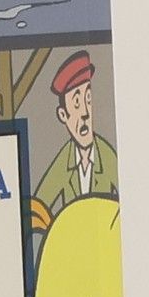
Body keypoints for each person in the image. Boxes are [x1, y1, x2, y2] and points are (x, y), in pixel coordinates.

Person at [31, 50, 119, 216]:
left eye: (88, 99)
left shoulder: (107, 156)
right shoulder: (64, 161)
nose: (85, 113)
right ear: (63, 115)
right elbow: (38, 206)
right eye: (77, 103)